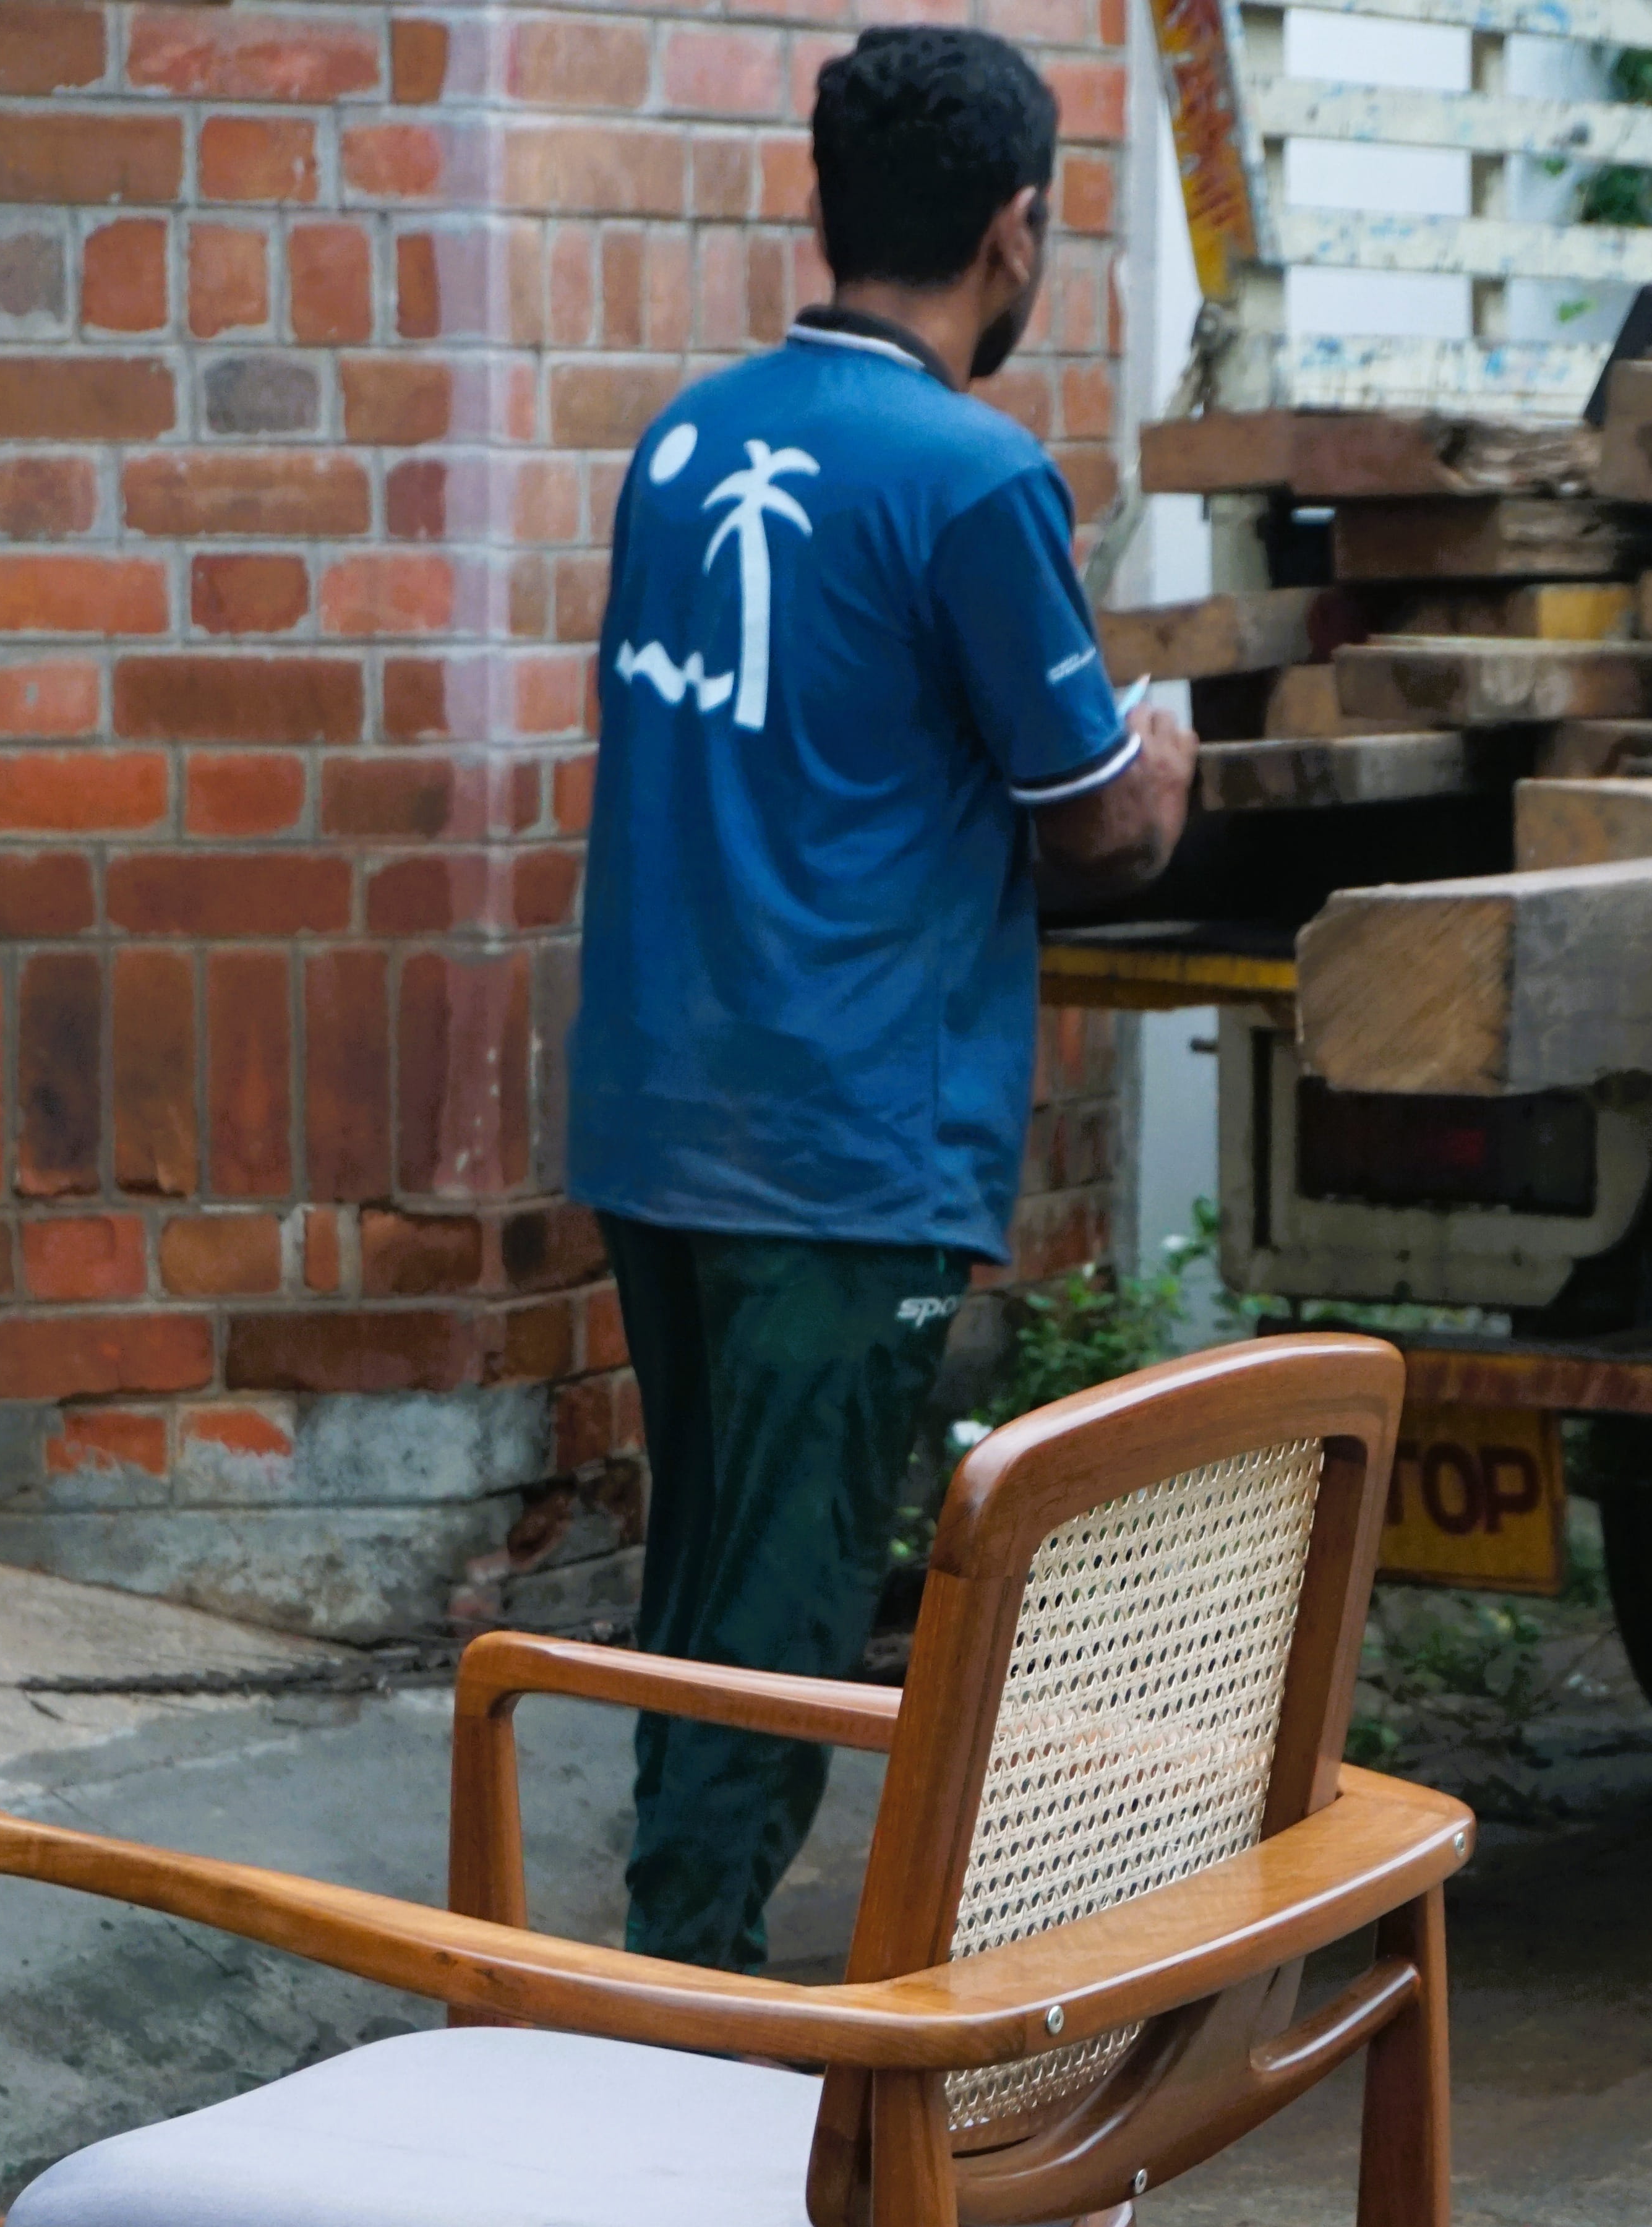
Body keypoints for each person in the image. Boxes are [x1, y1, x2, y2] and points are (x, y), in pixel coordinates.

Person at [567, 23, 1197, 1973]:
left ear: (827, 198)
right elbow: (1087, 820)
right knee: (781, 1601)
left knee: (709, 1563)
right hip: (849, 1144)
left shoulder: (682, 440)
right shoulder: (973, 478)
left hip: (662, 1116)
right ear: (1017, 230)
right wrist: (1165, 769)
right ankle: (684, 2004)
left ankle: (657, 1978)